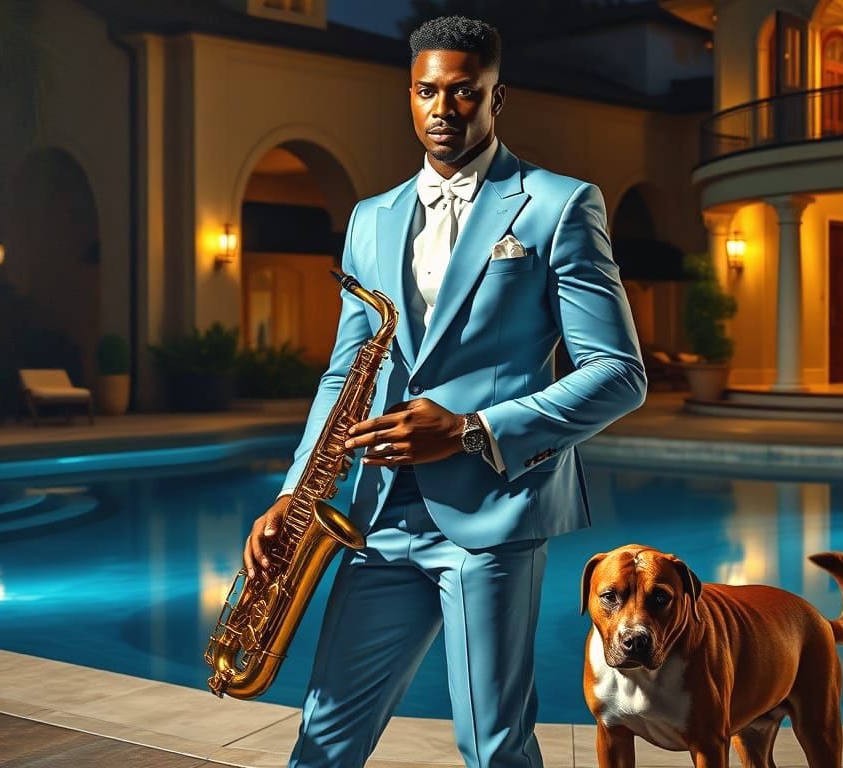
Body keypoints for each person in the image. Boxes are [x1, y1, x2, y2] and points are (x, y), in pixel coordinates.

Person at [243, 15, 647, 768]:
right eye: (427, 91)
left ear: (499, 98)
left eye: (465, 93)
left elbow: (620, 373)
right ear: (409, 93)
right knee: (323, 739)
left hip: (492, 516)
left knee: (492, 747)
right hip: (376, 517)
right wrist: (293, 493)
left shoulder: (558, 204)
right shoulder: (369, 218)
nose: (443, 109)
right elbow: (345, 370)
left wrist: (469, 429)